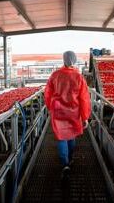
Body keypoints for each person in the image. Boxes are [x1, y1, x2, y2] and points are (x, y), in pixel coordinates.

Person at [44, 51, 91, 179]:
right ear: (74, 61)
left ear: (64, 60)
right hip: (73, 112)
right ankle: (70, 159)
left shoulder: (55, 75)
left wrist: (49, 107)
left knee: (61, 137)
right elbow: (84, 98)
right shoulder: (79, 77)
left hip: (58, 112)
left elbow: (47, 93)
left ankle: (65, 164)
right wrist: (85, 116)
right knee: (71, 135)